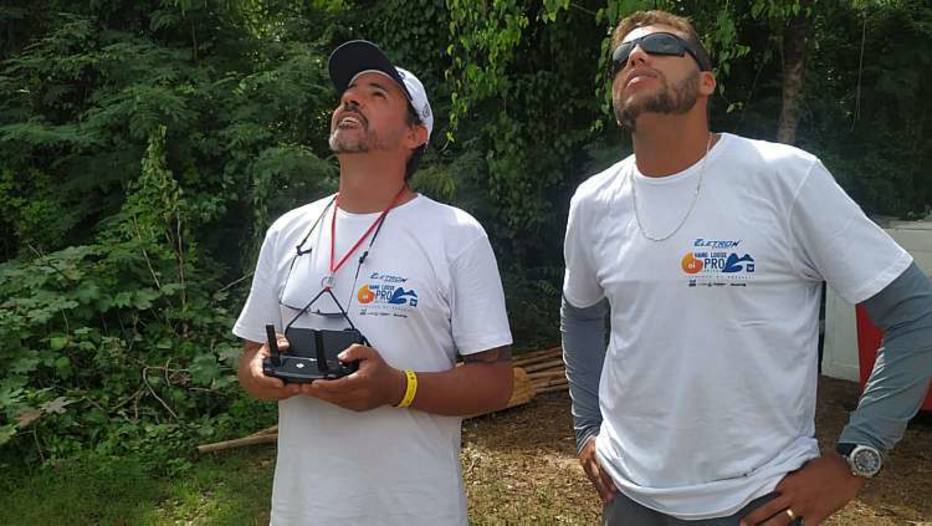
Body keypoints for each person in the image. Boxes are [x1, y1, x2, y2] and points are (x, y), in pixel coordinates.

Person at [561, 10, 932, 526]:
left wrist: (855, 459)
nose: (637, 57)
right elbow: (579, 313)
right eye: (622, 58)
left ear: (707, 81)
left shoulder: (784, 178)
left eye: (661, 46)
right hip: (629, 498)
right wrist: (586, 426)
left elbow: (916, 314)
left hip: (758, 502)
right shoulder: (593, 202)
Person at [233, 40, 513, 525]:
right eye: (349, 91)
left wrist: (397, 388)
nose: (351, 98)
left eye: (376, 93)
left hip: (415, 510)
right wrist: (261, 374)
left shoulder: (456, 234)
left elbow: (496, 382)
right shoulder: (288, 231)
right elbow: (250, 356)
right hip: (304, 511)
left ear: (414, 134)